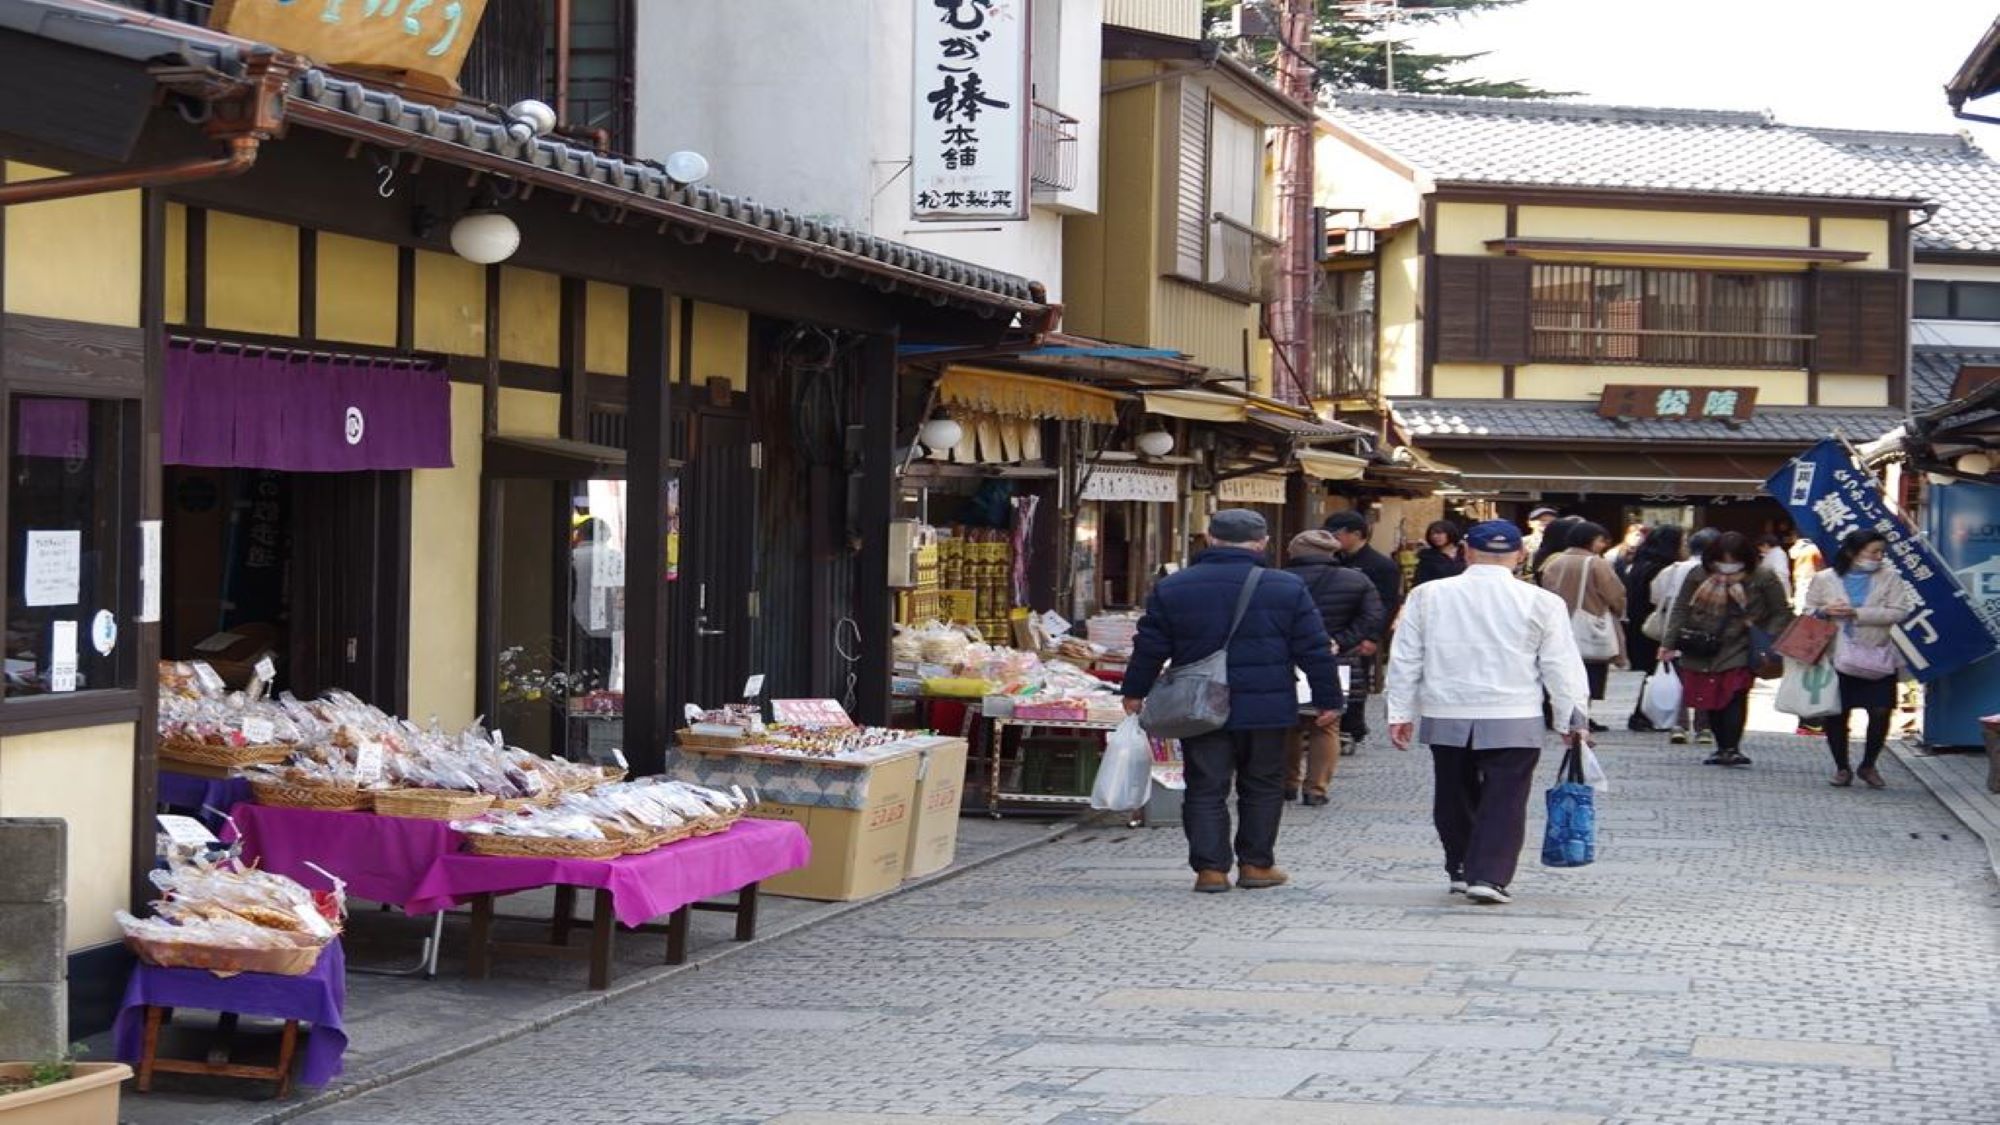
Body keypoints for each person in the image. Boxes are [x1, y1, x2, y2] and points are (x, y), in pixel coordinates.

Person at [1122, 509, 1343, 893]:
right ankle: (1256, 866)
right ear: (1261, 542)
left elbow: (1150, 645)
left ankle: (1211, 870)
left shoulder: (1175, 586)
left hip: (1198, 704)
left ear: (1210, 538)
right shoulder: (1285, 587)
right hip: (1267, 705)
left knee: (1205, 785)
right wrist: (1328, 698)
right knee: (1262, 784)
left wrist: (1135, 692)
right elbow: (1313, 647)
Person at [1386, 520, 1590, 906]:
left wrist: (1400, 711)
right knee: (1506, 797)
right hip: (1513, 711)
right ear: (1520, 555)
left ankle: (1460, 866)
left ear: (1466, 551)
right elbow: (1561, 665)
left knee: (1453, 791)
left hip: (1447, 707)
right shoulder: (1542, 602)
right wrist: (1571, 719)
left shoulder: (1428, 595)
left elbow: (1406, 656)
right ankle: (1489, 875)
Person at [1660, 531, 1793, 768]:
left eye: (1735, 561)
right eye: (1723, 560)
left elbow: (1780, 611)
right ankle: (1721, 746)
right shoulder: (1699, 574)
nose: (1728, 567)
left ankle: (1731, 747)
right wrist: (1668, 643)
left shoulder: (1762, 577)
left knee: (1734, 693)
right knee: (1710, 696)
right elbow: (1681, 608)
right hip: (1703, 642)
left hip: (1742, 643)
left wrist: (1764, 636)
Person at [1802, 530, 1918, 789]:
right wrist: (1824, 611)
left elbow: (1899, 612)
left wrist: (1858, 613)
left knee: (1880, 710)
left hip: (1876, 654)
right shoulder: (1825, 578)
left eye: (1881, 552)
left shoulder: (1890, 578)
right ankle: (1842, 767)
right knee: (1837, 714)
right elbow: (1808, 611)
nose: (1879, 557)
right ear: (1852, 552)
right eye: (1873, 552)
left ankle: (1868, 764)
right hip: (1836, 654)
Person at [1281, 530, 1387, 805]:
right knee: (1326, 724)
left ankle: (1287, 782)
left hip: (1286, 658)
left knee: (1289, 723)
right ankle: (1316, 789)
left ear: (1294, 552)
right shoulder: (1357, 580)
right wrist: (1341, 642)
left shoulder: (1279, 580)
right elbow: (1374, 616)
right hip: (1337, 659)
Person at [1322, 510, 1403, 754]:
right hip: (1331, 631)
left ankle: (1351, 729)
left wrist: (1373, 636)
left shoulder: (1381, 565)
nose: (1332, 539)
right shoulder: (1332, 560)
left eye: (1336, 534)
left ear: (1356, 534)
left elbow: (1388, 604)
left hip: (1360, 632)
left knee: (1356, 685)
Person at [1539, 521, 1627, 731]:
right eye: (1600, 540)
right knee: (1588, 673)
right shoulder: (1596, 563)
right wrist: (1617, 609)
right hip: (1588, 623)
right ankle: (1581, 716)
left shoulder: (1554, 562)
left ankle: (1556, 713)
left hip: (1557, 623)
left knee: (1560, 671)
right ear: (1589, 540)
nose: (1603, 545)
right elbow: (1614, 594)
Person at [1653, 527, 1717, 744]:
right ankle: (1704, 727)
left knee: (1682, 679)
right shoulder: (1713, 571)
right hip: (1707, 633)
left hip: (1678, 631)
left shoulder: (1673, 569)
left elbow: (1656, 596)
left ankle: (1679, 724)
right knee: (1705, 678)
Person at [1621, 525, 1684, 731]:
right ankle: (1647, 713)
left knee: (1651, 673)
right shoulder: (1664, 568)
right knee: (1660, 671)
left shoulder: (1639, 564)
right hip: (1655, 626)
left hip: (1638, 624)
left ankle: (1644, 713)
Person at [1412, 520, 1466, 588]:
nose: (1434, 536)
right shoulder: (1428, 557)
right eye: (1432, 534)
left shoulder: (1465, 553)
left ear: (1450, 533)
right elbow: (1420, 583)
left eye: (1439, 533)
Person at [1756, 533, 1793, 601]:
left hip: (1777, 589)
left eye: (1760, 548)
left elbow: (1781, 573)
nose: (1760, 550)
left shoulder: (1778, 554)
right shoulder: (1771, 554)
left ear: (1766, 545)